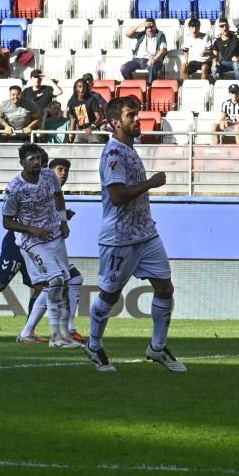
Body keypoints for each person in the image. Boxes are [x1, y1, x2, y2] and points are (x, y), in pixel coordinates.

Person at [85, 96, 183, 373]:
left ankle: (157, 347)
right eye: (131, 115)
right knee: (109, 295)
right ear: (115, 122)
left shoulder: (129, 149)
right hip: (119, 237)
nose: (137, 119)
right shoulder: (114, 153)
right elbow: (116, 197)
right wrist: (150, 183)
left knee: (165, 287)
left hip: (146, 233)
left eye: (137, 114)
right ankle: (93, 346)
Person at [0, 143, 76, 348]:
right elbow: (7, 221)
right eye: (31, 159)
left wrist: (63, 222)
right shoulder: (15, 189)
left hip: (55, 235)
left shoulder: (49, 177)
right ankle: (55, 338)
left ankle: (63, 334)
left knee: (66, 284)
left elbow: (59, 196)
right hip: (32, 242)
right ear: (22, 162)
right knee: (55, 281)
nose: (36, 162)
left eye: (38, 159)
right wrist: (31, 229)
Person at [17, 158, 88, 344]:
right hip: (33, 245)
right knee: (55, 284)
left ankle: (31, 331)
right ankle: (64, 331)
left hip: (47, 244)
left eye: (66, 170)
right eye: (60, 169)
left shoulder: (53, 190)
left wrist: (63, 218)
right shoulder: (37, 187)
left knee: (69, 280)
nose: (63, 173)